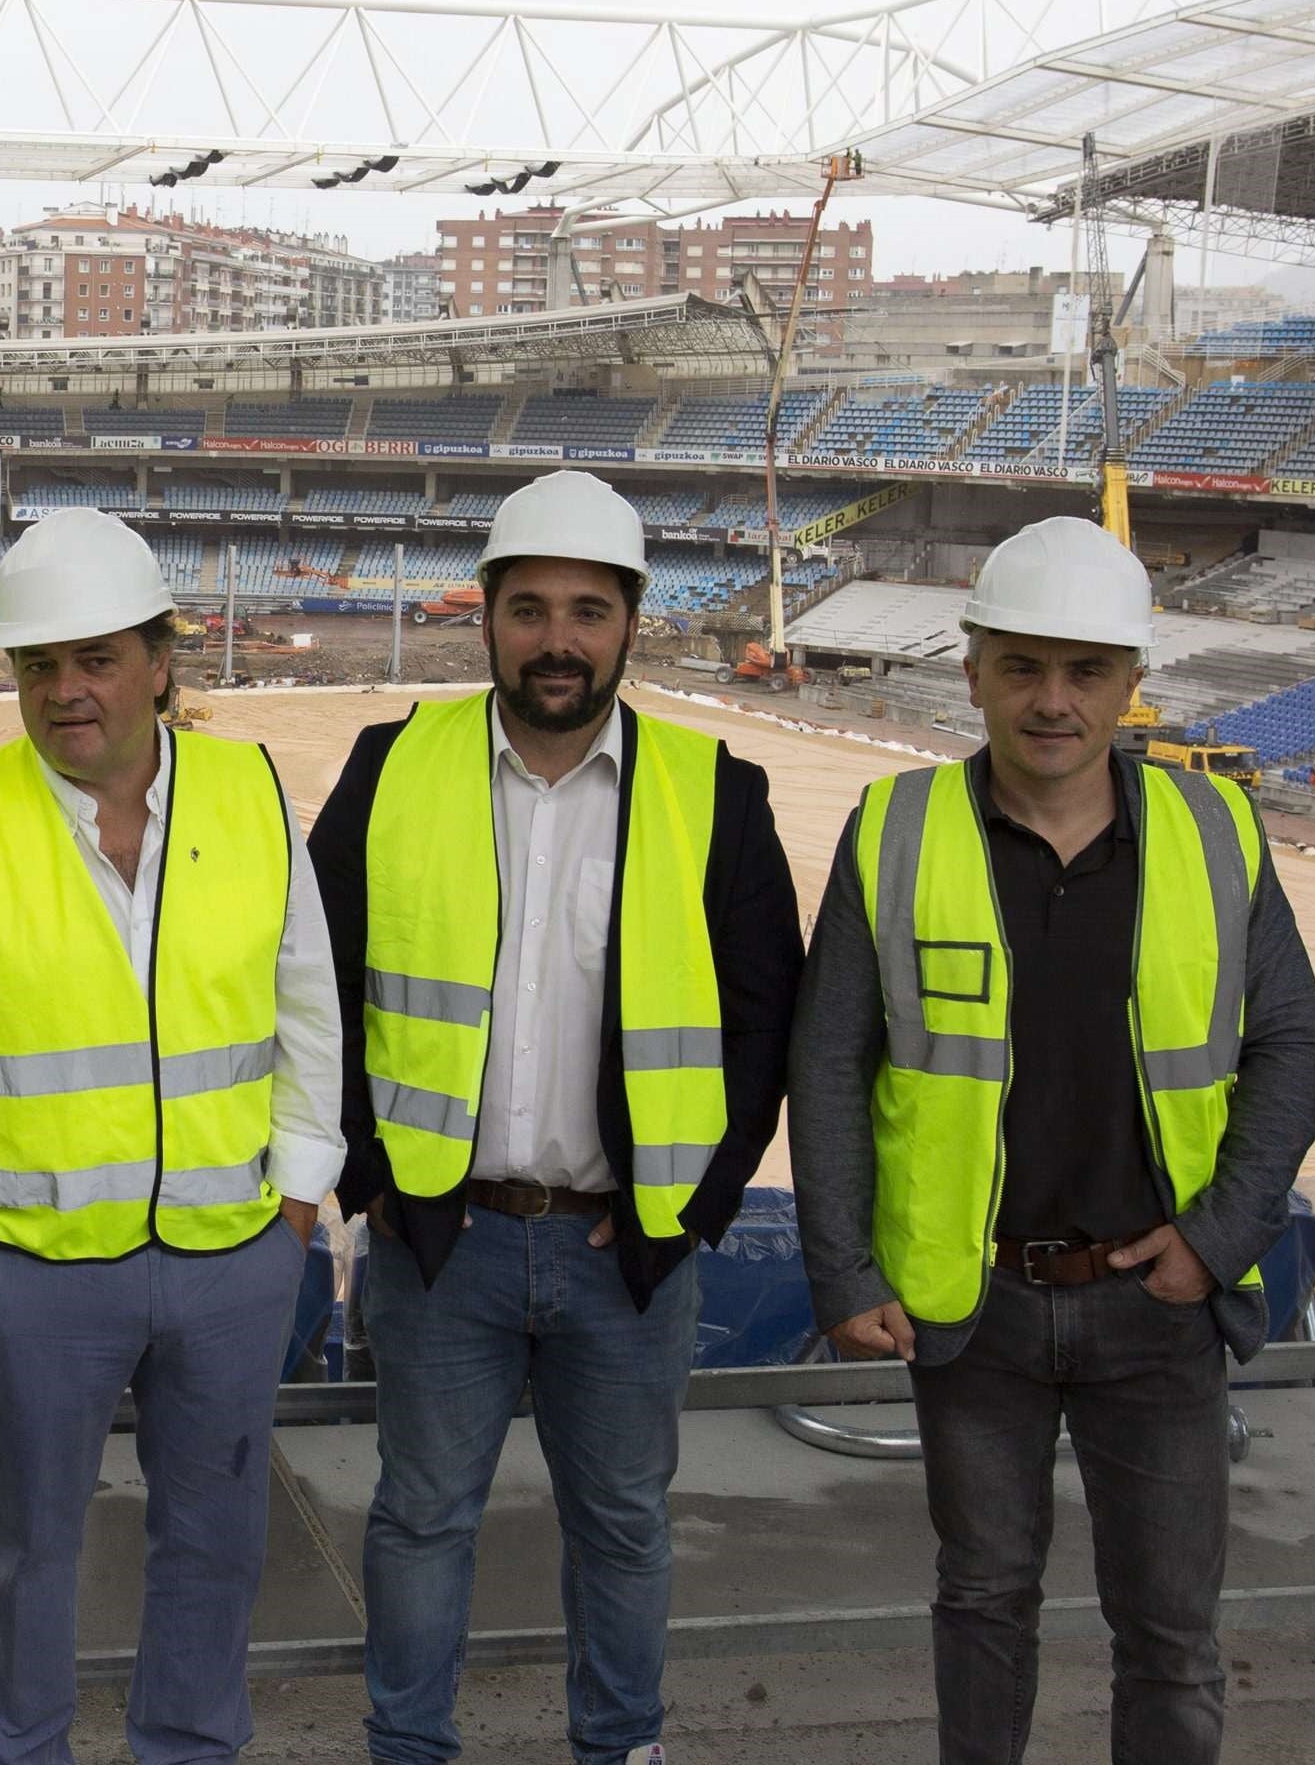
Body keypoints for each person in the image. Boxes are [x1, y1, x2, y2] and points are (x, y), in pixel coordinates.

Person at [788, 516, 1315, 1765]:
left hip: (1158, 1304)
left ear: (1131, 680)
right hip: (971, 1307)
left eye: (1085, 670)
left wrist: (1214, 1238)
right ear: (971, 668)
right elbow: (828, 1060)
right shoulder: (894, 828)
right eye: (1022, 666)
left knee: (1173, 1636)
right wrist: (844, 1269)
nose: (1051, 700)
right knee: (983, 1600)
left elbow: (1291, 1042)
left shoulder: (1215, 830)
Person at [309, 469, 802, 1765]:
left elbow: (764, 1023)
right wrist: (369, 1176)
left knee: (625, 1525)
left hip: (623, 1253)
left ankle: (621, 1747)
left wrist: (690, 1206)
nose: (556, 640)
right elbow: (317, 982)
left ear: (631, 619)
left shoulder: (716, 792)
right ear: (485, 613)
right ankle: (407, 1748)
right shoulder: (391, 768)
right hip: (441, 1241)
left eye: (588, 610)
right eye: (528, 608)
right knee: (420, 1518)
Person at [0, 508, 343, 1765]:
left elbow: (307, 1007)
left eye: (95, 658)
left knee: (217, 1536)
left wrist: (295, 1205)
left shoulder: (250, 793)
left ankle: (185, 1743)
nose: (66, 689)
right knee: (30, 1546)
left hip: (233, 1253)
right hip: (34, 1267)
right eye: (39, 664)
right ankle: (18, 1747)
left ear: (158, 660)